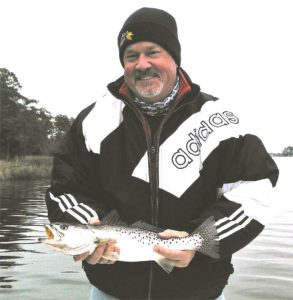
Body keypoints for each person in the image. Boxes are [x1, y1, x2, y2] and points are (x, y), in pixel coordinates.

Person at [45, 7, 279, 300]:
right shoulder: (94, 120)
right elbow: (65, 188)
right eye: (131, 56)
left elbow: (255, 191)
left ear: (174, 58)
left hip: (197, 291)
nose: (142, 64)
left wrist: (198, 243)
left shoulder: (221, 120)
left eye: (153, 52)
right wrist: (92, 226)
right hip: (112, 290)